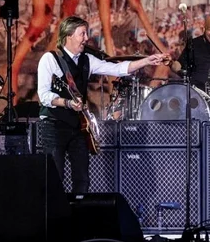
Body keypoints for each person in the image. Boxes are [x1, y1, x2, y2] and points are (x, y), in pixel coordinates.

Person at [37, 16, 168, 193]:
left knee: (82, 179)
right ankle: (55, 218)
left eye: (86, 33)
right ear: (68, 35)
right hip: (53, 126)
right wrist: (66, 102)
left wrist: (146, 61)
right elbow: (44, 95)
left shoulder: (87, 60)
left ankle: (78, 215)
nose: (86, 38)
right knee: (54, 179)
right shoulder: (50, 59)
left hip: (79, 126)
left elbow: (116, 69)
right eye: (82, 34)